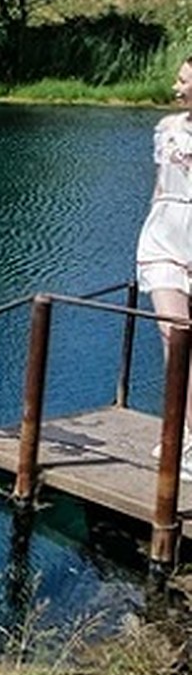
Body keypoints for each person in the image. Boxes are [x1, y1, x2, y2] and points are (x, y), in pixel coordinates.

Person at [136, 56, 192, 474]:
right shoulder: (167, 128)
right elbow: (160, 186)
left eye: (183, 80)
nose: (175, 86)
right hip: (163, 239)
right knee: (175, 335)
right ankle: (182, 439)